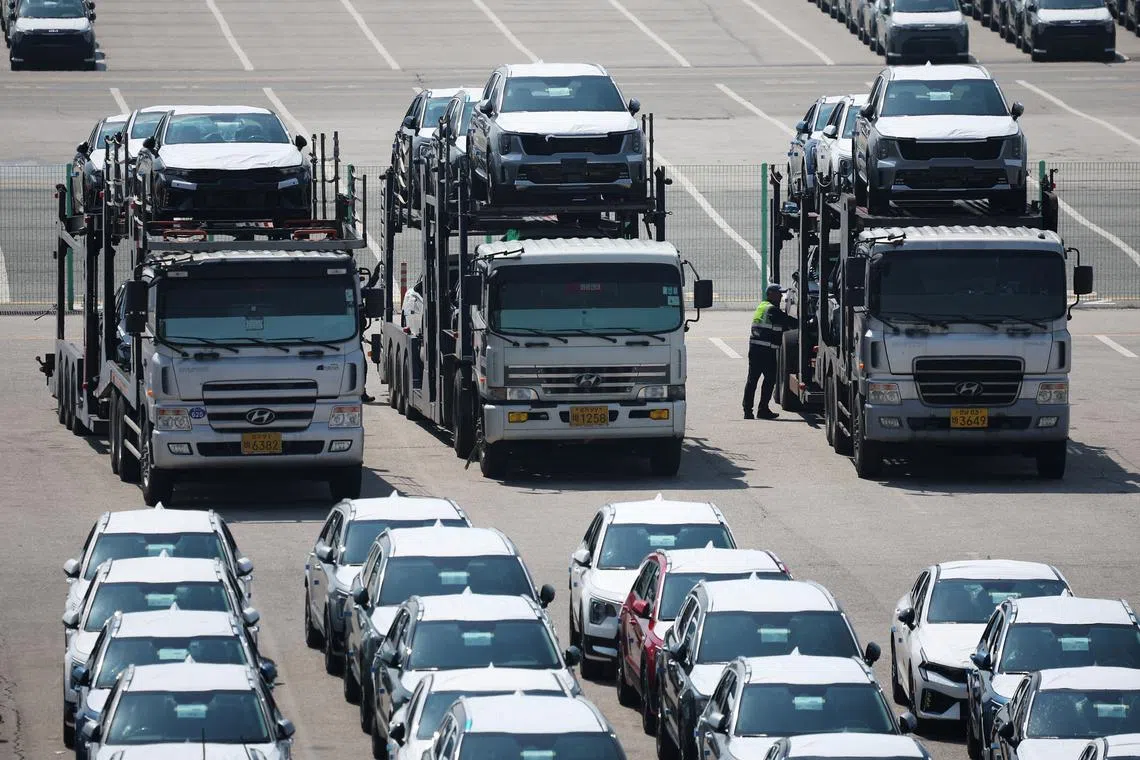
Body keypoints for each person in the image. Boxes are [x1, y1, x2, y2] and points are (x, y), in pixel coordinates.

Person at [743, 283, 798, 420]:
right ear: (770, 294)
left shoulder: (762, 306)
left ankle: (748, 410)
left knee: (752, 380)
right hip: (765, 350)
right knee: (769, 379)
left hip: (755, 348)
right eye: (778, 293)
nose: (781, 296)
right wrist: (806, 323)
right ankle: (763, 410)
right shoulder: (772, 310)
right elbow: (789, 322)